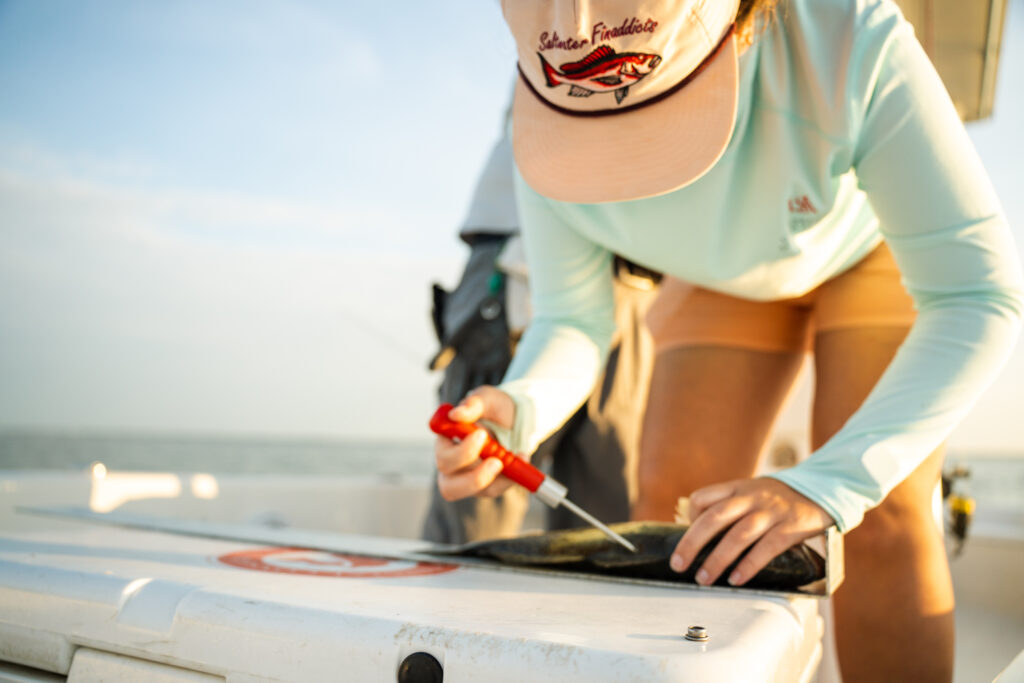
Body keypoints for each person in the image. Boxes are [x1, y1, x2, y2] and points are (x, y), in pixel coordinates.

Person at [433, 0, 1024, 680]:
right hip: (722, 273)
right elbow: (572, 318)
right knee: (676, 505)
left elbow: (977, 294)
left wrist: (830, 485)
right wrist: (524, 403)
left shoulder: (853, 36)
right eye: (592, 121)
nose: (625, 162)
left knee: (881, 514)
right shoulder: (543, 94)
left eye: (652, 114)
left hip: (872, 242)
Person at [422, 105, 660, 544]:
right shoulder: (548, 70)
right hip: (517, 269)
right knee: (477, 513)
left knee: (605, 511)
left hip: (634, 280)